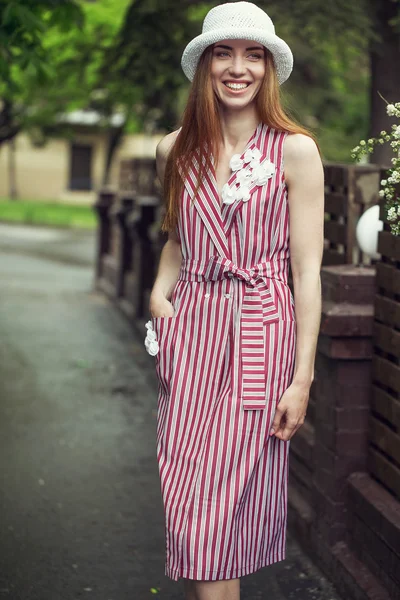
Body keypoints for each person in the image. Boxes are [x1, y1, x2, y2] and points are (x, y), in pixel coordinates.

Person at [144, 2, 324, 599]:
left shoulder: (295, 152)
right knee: (187, 490)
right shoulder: (177, 149)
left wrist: (301, 379)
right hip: (191, 333)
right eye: (224, 52)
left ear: (269, 67)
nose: (237, 67)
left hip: (259, 335)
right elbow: (177, 239)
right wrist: (158, 293)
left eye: (253, 54)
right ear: (206, 65)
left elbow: (307, 272)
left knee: (221, 506)